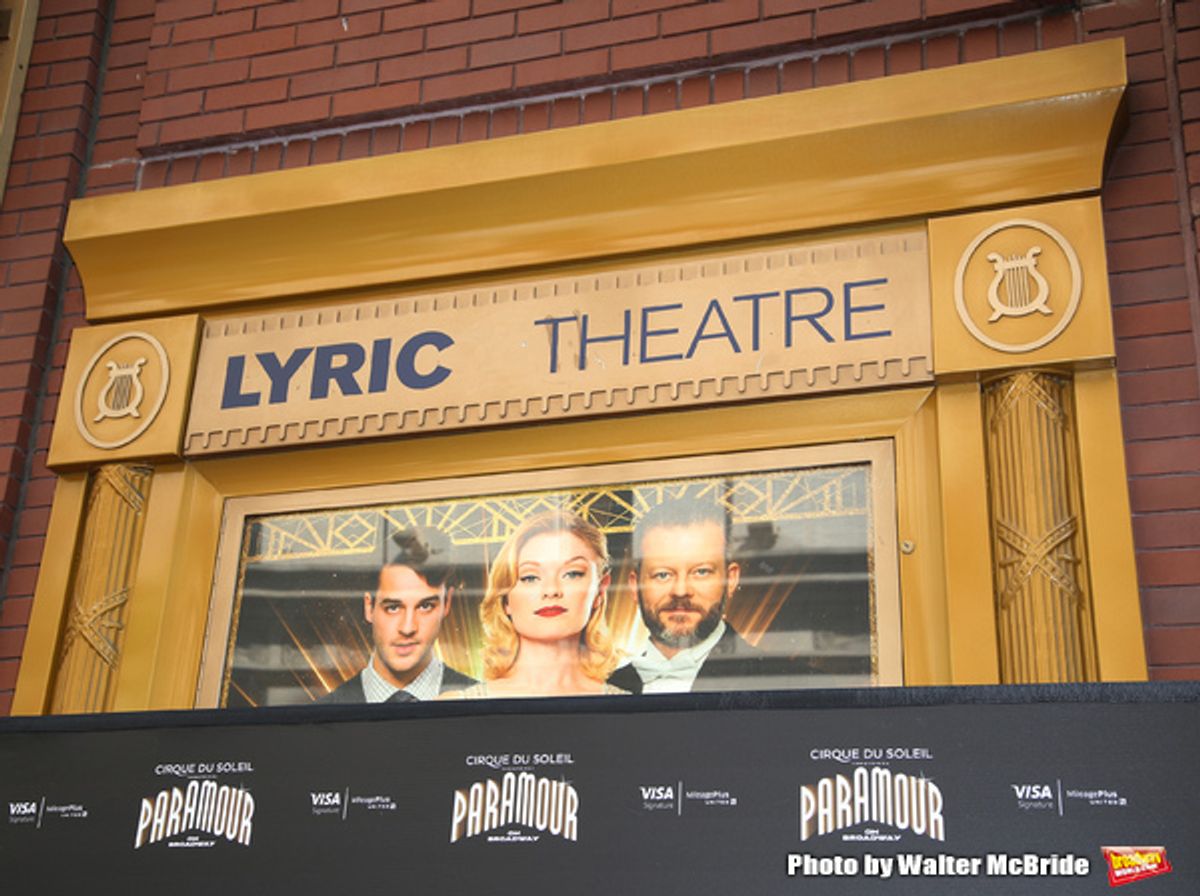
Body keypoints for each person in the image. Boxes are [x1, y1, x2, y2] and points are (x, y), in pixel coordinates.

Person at [609, 496, 793, 693]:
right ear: (634, 586)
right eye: (662, 574)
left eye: (701, 572)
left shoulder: (790, 682)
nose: (681, 591)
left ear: (731, 580)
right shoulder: (602, 690)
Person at [442, 510, 625, 698]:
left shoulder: (627, 706)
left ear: (600, 590)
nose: (551, 590)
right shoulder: (456, 704)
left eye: (572, 574)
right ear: (505, 599)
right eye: (530, 577)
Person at [321, 527, 475, 703]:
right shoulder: (321, 716)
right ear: (368, 606)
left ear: (447, 603)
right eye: (393, 608)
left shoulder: (483, 704)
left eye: (425, 606)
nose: (408, 628)